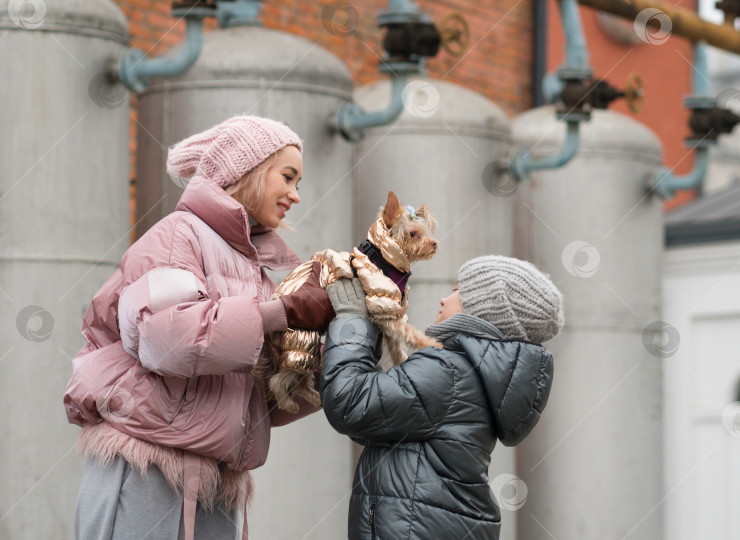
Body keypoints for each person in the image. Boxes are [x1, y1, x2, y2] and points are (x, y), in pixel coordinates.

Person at [63, 115, 334, 540]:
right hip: (147, 473)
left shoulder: (254, 270)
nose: (296, 195)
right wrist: (280, 313)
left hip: (215, 487)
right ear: (247, 171)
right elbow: (166, 340)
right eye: (288, 176)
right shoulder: (178, 237)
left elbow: (256, 400)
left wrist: (329, 355)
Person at [320, 255, 563, 539]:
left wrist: (352, 319)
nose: (444, 300)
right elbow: (379, 424)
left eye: (458, 291)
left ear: (482, 313)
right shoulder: (469, 374)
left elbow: (350, 403)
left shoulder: (448, 370)